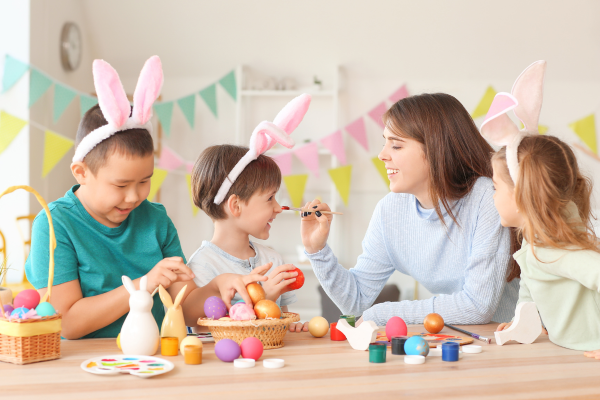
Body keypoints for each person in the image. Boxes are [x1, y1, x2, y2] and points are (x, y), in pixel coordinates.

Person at [25, 56, 267, 339]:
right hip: (89, 365)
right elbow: (67, 323)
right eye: (121, 184)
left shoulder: (156, 220)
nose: (134, 196)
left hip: (157, 357)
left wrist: (218, 286)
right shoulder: (55, 225)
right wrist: (143, 285)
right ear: (81, 172)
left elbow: (186, 309)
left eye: (145, 181)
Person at [300, 92, 519, 326]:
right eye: (385, 143)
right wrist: (318, 251)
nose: (382, 155)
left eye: (396, 145)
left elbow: (478, 307)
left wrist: (381, 314)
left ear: (436, 149)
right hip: (454, 344)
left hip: (510, 346)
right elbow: (357, 300)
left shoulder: (487, 198)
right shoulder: (390, 210)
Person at [484, 61, 600, 354]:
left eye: (496, 188)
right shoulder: (539, 243)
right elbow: (530, 290)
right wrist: (518, 322)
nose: (492, 196)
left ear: (523, 197)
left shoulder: (555, 251)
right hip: (570, 355)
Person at [187, 94, 311, 332]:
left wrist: (293, 327)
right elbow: (210, 332)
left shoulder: (272, 260)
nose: (279, 208)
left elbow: (280, 326)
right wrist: (267, 297)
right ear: (235, 206)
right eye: (269, 198)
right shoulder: (202, 267)